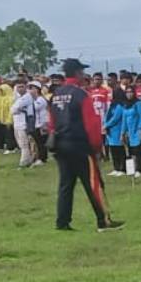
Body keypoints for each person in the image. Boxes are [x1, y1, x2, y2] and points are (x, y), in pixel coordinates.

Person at [50, 58, 121, 233]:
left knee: (66, 185)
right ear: (77, 73)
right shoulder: (81, 95)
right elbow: (92, 124)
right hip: (80, 145)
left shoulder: (56, 94)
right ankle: (103, 221)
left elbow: (51, 123)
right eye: (82, 72)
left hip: (60, 145)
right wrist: (97, 147)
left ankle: (62, 222)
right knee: (93, 183)